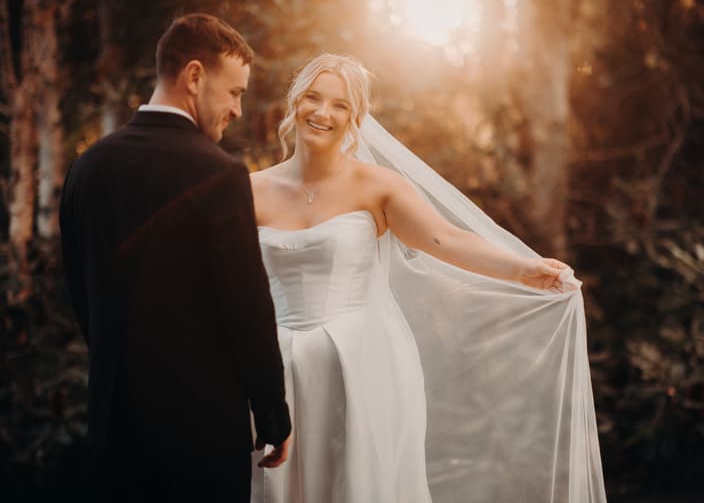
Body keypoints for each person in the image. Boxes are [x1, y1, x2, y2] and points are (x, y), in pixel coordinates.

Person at [249, 54, 606, 502]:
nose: (323, 113)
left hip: (361, 365)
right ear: (294, 102)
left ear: (356, 118)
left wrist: (524, 270)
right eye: (314, 98)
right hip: (279, 367)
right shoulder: (250, 189)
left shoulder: (378, 186)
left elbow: (444, 239)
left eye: (340, 105)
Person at [59, 13, 292, 503]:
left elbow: (82, 294)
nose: (238, 109)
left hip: (112, 429)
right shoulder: (220, 174)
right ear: (193, 76)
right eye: (234, 92)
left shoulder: (87, 167)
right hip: (199, 438)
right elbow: (247, 306)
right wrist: (273, 414)